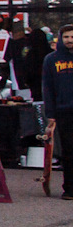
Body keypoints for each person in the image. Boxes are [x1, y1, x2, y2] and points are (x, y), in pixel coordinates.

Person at [41, 24, 73, 200]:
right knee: (68, 150)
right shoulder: (51, 60)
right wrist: (50, 113)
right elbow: (47, 88)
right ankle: (69, 188)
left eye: (72, 37)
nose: (69, 40)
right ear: (60, 39)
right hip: (64, 110)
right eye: (66, 37)